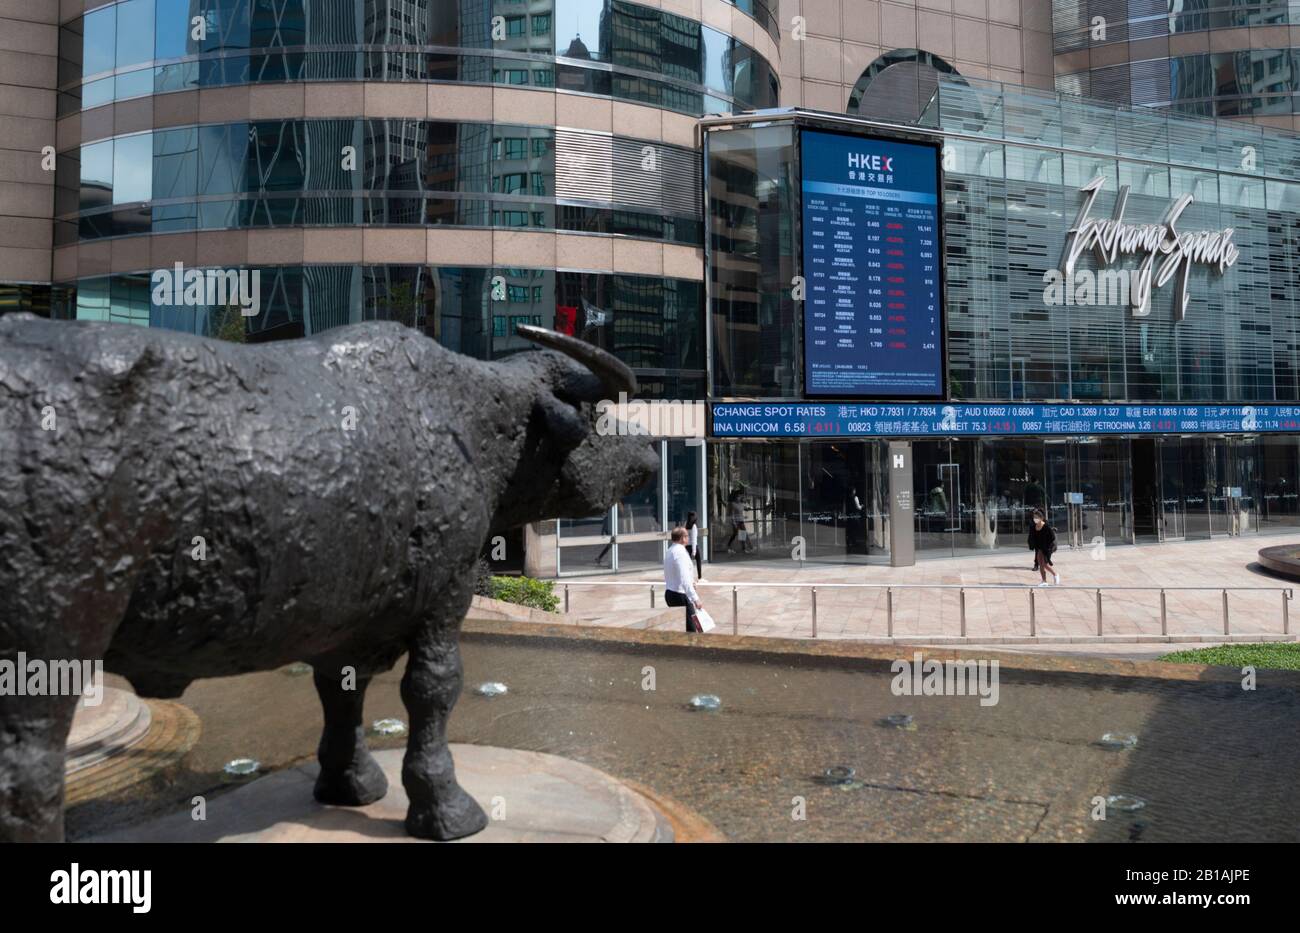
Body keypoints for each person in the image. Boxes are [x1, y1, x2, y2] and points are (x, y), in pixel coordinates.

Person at [663, 526, 703, 632]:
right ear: (682, 538)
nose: (688, 538)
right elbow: (684, 578)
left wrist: (692, 581)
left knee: (679, 629)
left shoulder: (670, 550)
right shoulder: (680, 553)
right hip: (680, 595)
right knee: (691, 630)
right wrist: (695, 599)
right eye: (687, 536)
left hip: (670, 593)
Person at [1027, 508, 1060, 586]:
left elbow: (1052, 537)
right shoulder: (1033, 527)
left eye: (1037, 518)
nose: (1035, 519)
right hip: (1039, 547)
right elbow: (1032, 537)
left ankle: (1055, 574)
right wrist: (1032, 544)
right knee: (1041, 564)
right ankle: (1044, 581)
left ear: (1041, 518)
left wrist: (1046, 546)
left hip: (1046, 548)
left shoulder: (1046, 527)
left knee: (1044, 564)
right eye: (1034, 517)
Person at [685, 510, 703, 580]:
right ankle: (700, 577)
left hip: (687, 546)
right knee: (698, 561)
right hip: (693, 546)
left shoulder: (686, 524)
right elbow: (694, 539)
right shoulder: (694, 526)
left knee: (688, 563)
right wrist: (694, 551)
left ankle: (688, 577)